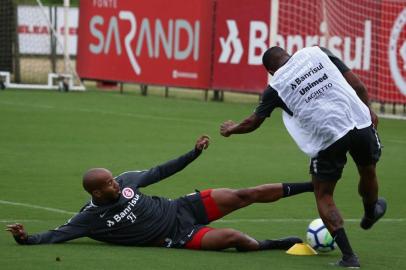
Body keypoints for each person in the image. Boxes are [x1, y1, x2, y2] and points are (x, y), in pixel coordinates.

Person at [220, 46, 386, 267]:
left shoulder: (276, 85)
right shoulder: (317, 52)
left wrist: (232, 129)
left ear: (270, 71)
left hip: (328, 137)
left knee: (324, 195)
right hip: (358, 122)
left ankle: (349, 257)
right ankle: (370, 211)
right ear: (289, 53)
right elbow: (357, 85)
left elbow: (253, 122)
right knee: (368, 170)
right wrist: (368, 110)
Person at [6, 135, 314, 252]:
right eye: (109, 184)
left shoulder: (127, 182)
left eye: (114, 179)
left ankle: (313, 185)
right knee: (234, 238)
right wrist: (25, 238)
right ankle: (272, 245)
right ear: (97, 192)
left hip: (184, 208)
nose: (115, 182)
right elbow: (55, 235)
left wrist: (193, 154)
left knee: (244, 194)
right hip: (178, 237)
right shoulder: (90, 219)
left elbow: (161, 171)